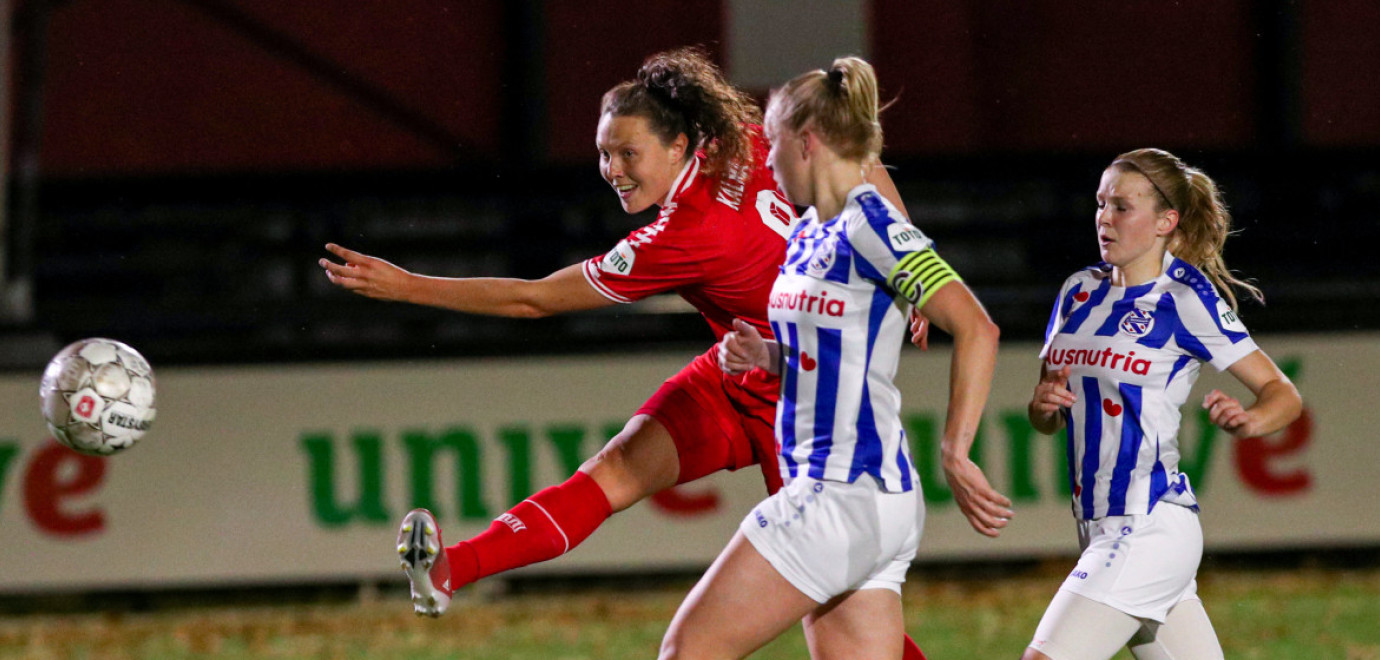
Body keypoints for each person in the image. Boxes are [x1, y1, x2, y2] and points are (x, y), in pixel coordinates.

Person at [320, 47, 933, 659]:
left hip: (801, 413)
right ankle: (451, 570)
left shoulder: (682, 236)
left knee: (843, 629)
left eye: (627, 153)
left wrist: (408, 287)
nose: (613, 169)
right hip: (738, 373)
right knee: (611, 473)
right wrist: (912, 270)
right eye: (603, 154)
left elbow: (533, 301)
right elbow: (862, 163)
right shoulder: (739, 138)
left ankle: (454, 572)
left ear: (678, 146)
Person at [657, 56, 1007, 660]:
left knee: (687, 652)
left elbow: (977, 326)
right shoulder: (808, 232)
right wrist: (768, 354)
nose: (765, 160)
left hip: (841, 493)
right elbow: (830, 352)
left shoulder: (871, 223)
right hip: (859, 501)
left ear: (807, 141)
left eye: (771, 142)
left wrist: (956, 448)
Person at [1021, 148, 1303, 660]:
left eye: (1122, 207)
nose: (1104, 218)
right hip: (1095, 526)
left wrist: (1250, 421)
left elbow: (1282, 393)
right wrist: (1042, 408)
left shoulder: (1184, 298)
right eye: (1101, 203)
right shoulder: (1077, 291)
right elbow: (1048, 414)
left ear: (1165, 221)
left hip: (1147, 525)